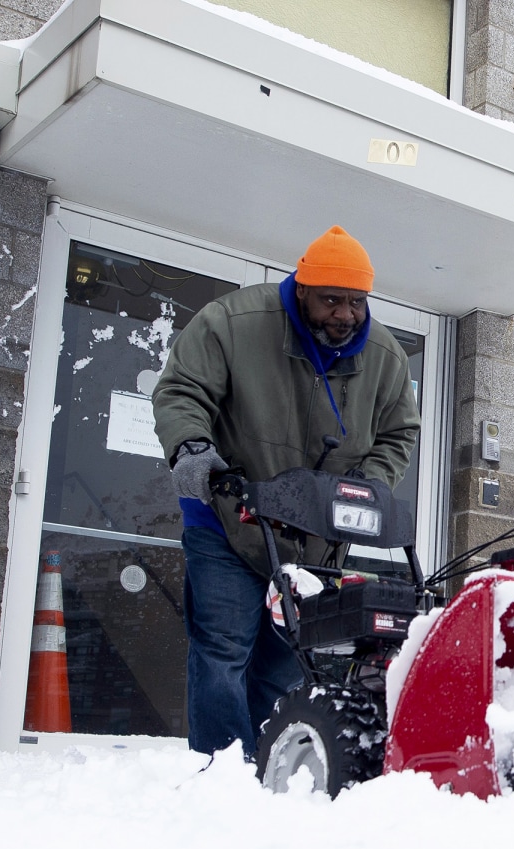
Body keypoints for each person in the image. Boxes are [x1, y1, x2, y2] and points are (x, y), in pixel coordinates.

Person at [153, 226, 420, 758]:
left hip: (312, 542)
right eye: (331, 301)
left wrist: (366, 488)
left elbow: (399, 432)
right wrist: (193, 448)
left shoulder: (386, 357)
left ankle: (266, 766)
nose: (345, 314)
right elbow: (183, 388)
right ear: (301, 289)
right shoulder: (233, 323)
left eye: (356, 302)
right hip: (230, 519)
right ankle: (220, 769)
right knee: (224, 649)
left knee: (283, 659)